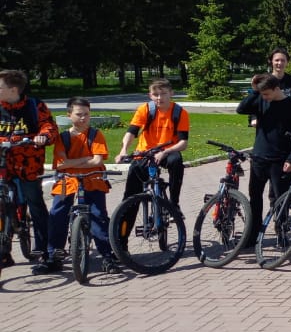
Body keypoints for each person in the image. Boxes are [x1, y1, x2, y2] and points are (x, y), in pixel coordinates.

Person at [48, 96, 119, 273]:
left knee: (98, 215)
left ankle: (107, 255)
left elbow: (97, 161)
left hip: (93, 179)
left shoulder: (96, 135)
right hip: (67, 180)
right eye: (79, 114)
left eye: (86, 114)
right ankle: (54, 254)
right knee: (57, 212)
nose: (83, 118)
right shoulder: (63, 137)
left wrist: (72, 163)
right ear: (69, 115)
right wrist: (85, 159)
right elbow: (61, 164)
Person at [0, 70, 58, 272]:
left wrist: (43, 136)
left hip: (27, 165)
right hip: (3, 164)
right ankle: (4, 252)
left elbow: (49, 127)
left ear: (13, 90)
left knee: (35, 203)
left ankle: (45, 251)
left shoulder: (34, 105)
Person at [236, 74, 291, 241]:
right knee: (255, 197)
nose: (264, 97)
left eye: (266, 93)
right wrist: (254, 91)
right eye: (262, 94)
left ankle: (282, 232)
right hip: (259, 157)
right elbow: (241, 109)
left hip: (279, 160)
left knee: (280, 199)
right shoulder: (261, 99)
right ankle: (253, 234)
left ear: (276, 89)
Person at [116, 77, 189, 210]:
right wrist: (123, 150)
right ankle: (123, 221)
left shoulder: (179, 112)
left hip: (168, 151)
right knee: (131, 192)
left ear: (171, 93)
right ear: (150, 95)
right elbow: (131, 132)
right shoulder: (145, 109)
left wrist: (165, 152)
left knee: (176, 162)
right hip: (146, 151)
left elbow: (183, 143)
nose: (159, 98)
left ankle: (173, 204)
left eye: (164, 93)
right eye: (155, 94)